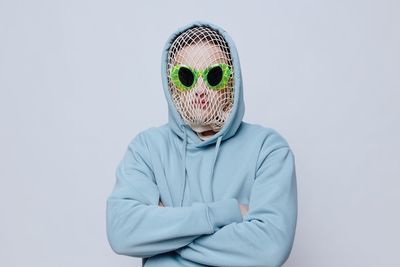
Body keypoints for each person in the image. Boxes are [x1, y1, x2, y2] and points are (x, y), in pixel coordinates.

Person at [106, 21, 298, 267]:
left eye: (214, 76)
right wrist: (227, 214)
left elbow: (269, 248)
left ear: (232, 79)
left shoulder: (268, 149)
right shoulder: (146, 148)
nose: (200, 89)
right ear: (171, 83)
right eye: (186, 77)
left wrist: (165, 235)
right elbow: (122, 232)